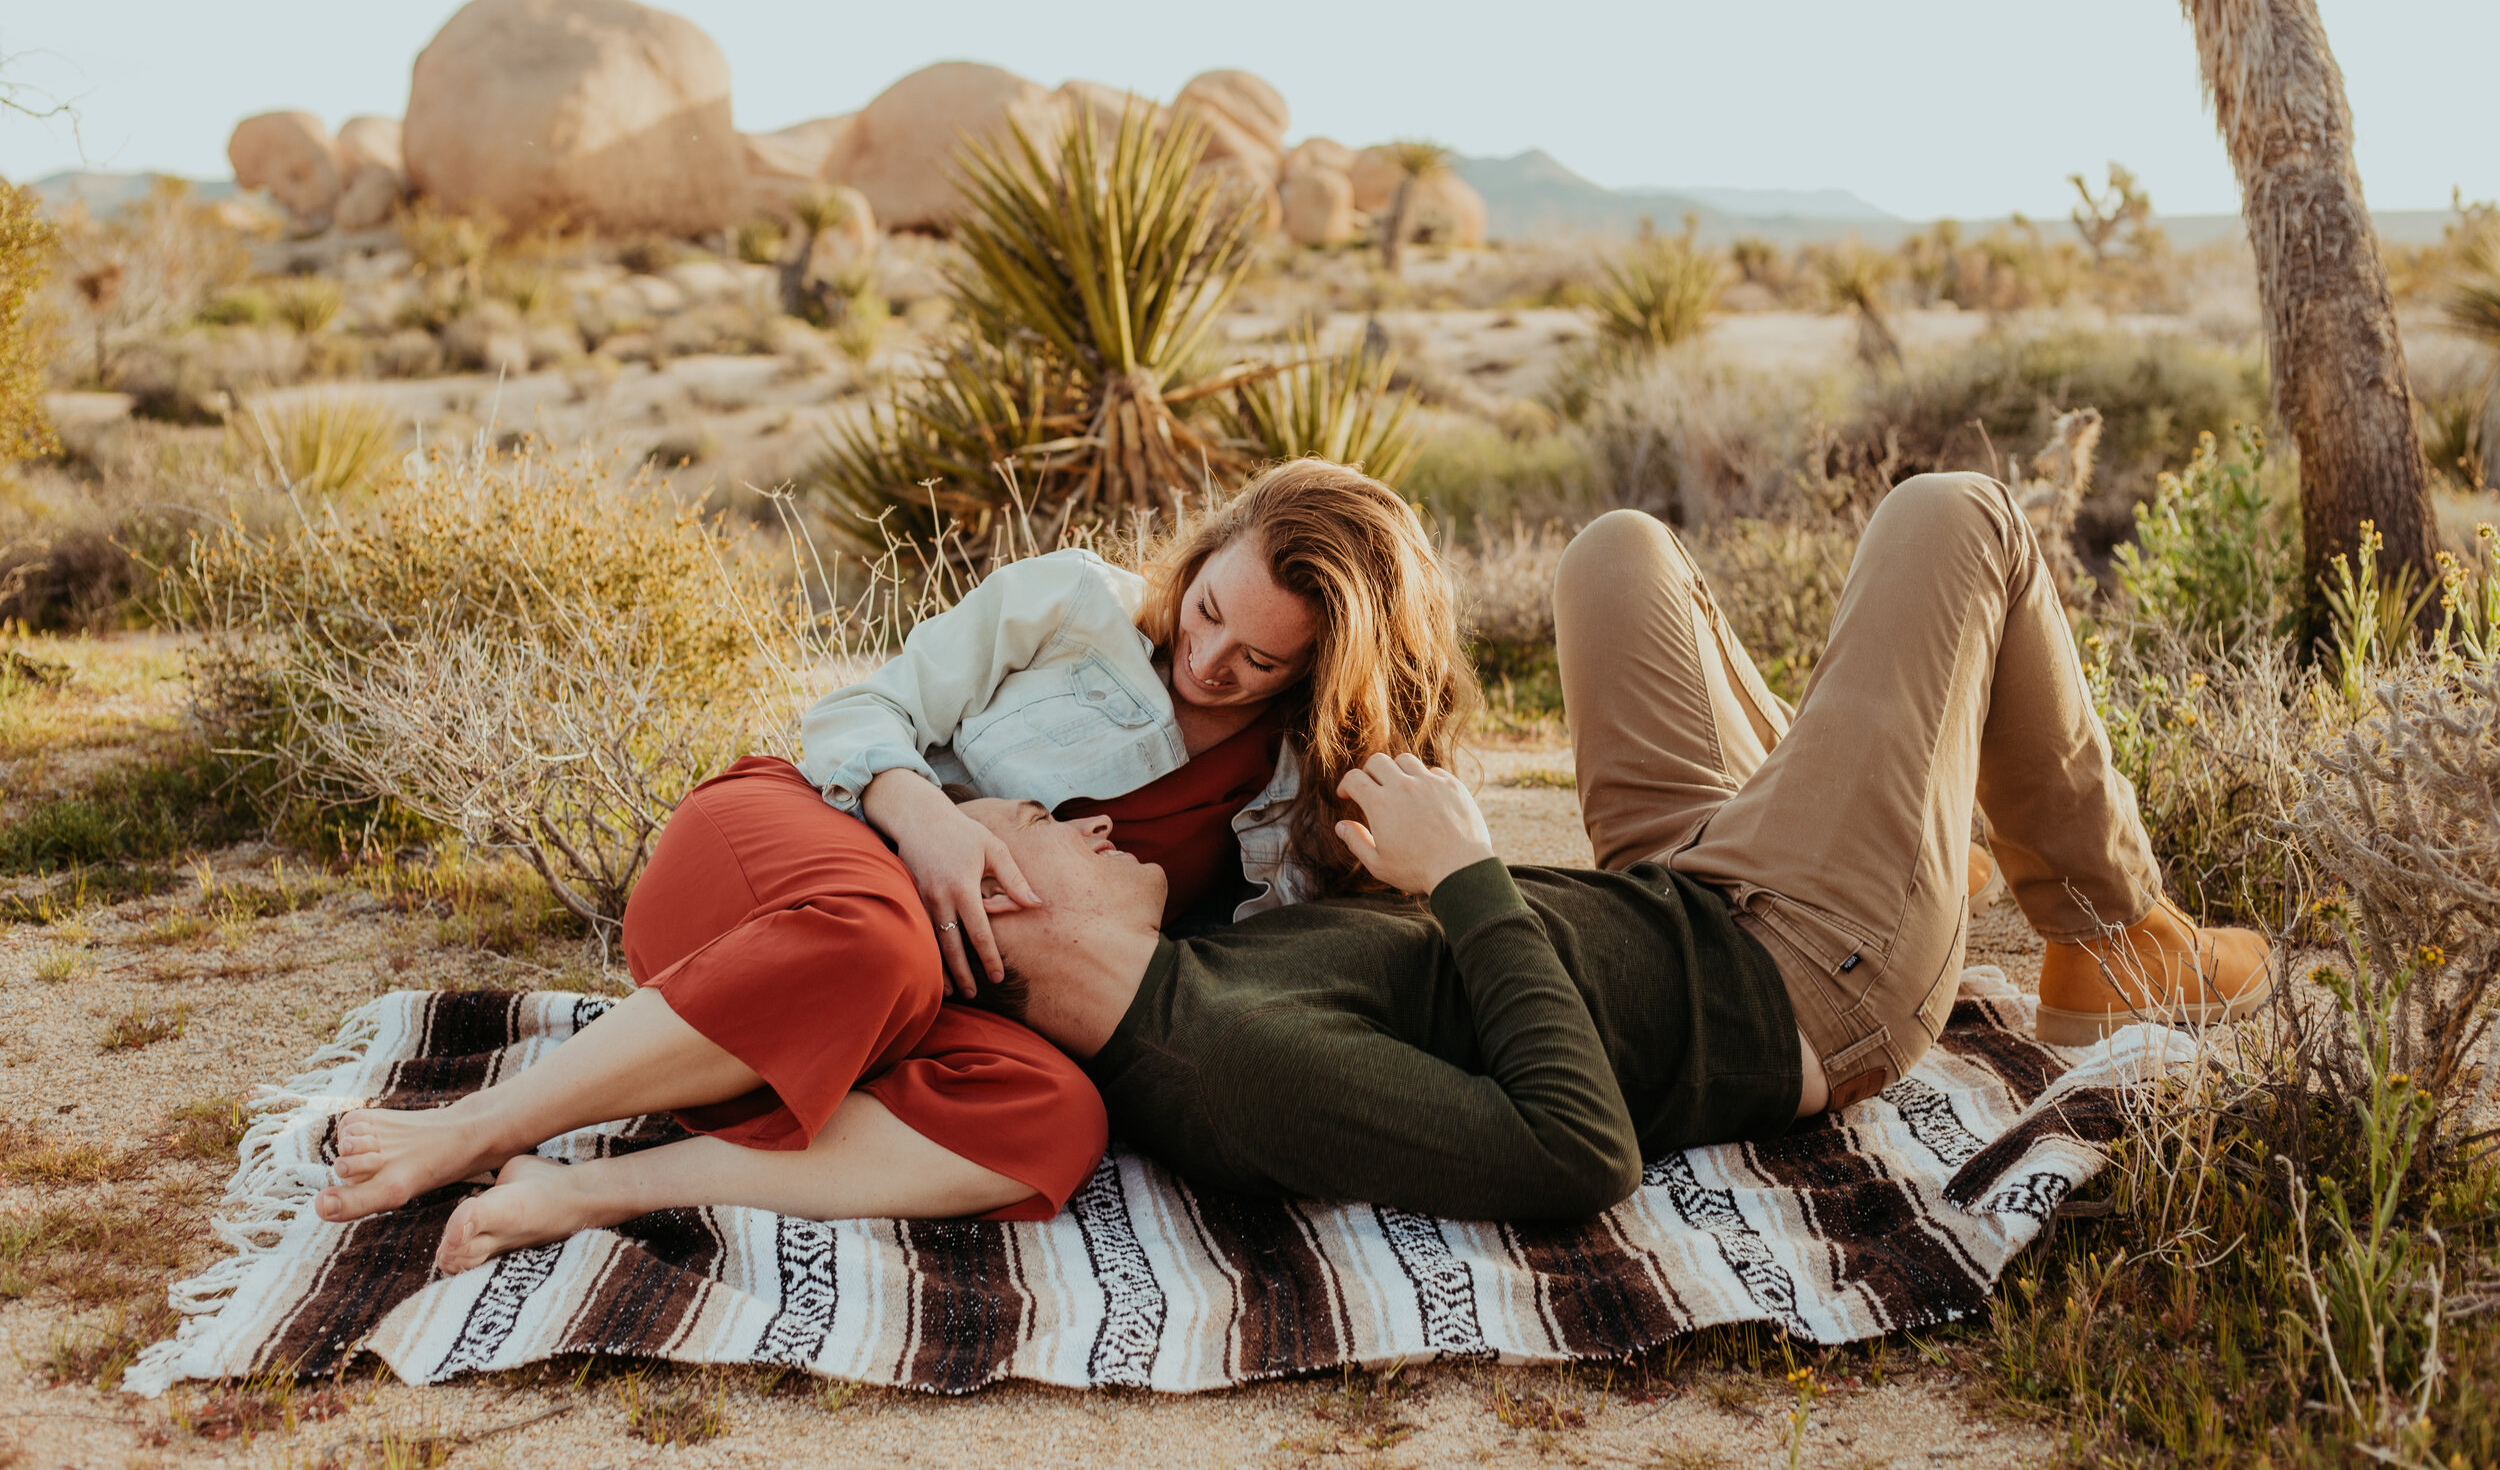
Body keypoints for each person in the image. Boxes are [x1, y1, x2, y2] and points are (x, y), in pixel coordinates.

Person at [942, 473, 2275, 1221]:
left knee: (1614, 551)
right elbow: (1577, 1153)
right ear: (1009, 911)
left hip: (1676, 888)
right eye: (1038, 830)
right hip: (1809, 973)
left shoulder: (1181, 971)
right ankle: (2111, 936)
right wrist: (1463, 873)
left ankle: (1902, 820)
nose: (1091, 821)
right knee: (1955, 514)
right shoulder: (1228, 1063)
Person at [313, 756, 1108, 1273]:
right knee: (882, 945)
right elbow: (873, 703)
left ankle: (583, 1193)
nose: (1097, 828)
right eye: (1043, 814)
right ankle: (480, 1124)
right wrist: (923, 810)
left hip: (915, 988)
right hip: (819, 829)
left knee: (1059, 1117)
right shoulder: (1066, 613)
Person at [799, 458, 1477, 998]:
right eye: (1207, 609)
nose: (1207, 662)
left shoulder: (1309, 784)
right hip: (860, 877)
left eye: (1260, 659)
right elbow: (854, 712)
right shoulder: (1070, 602)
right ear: (1204, 554)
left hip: (1005, 999)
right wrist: (928, 821)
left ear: (1324, 672)